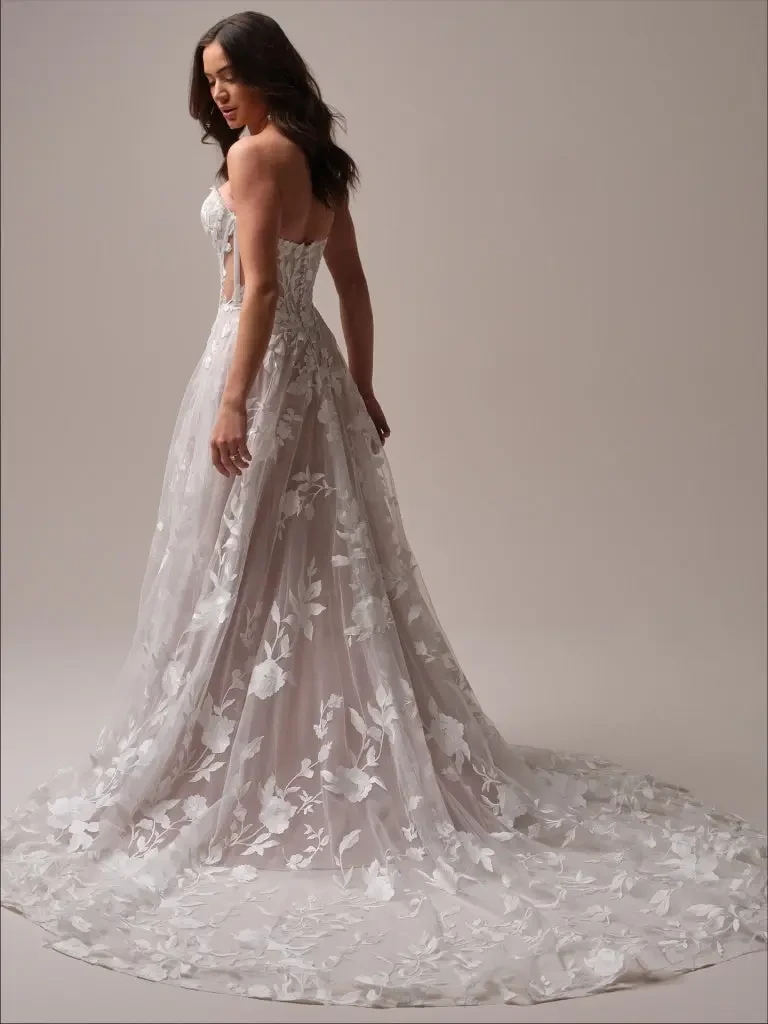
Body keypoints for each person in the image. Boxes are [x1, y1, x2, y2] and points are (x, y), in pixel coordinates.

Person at [2, 10, 765, 1010]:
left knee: (250, 564)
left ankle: (238, 752)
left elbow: (264, 289)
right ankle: (278, 734)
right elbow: (352, 285)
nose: (220, 93)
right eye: (211, 79)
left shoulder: (255, 158)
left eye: (231, 74)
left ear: (269, 73)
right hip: (312, 378)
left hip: (259, 368)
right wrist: (359, 385)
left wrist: (234, 399)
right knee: (314, 565)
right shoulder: (321, 160)